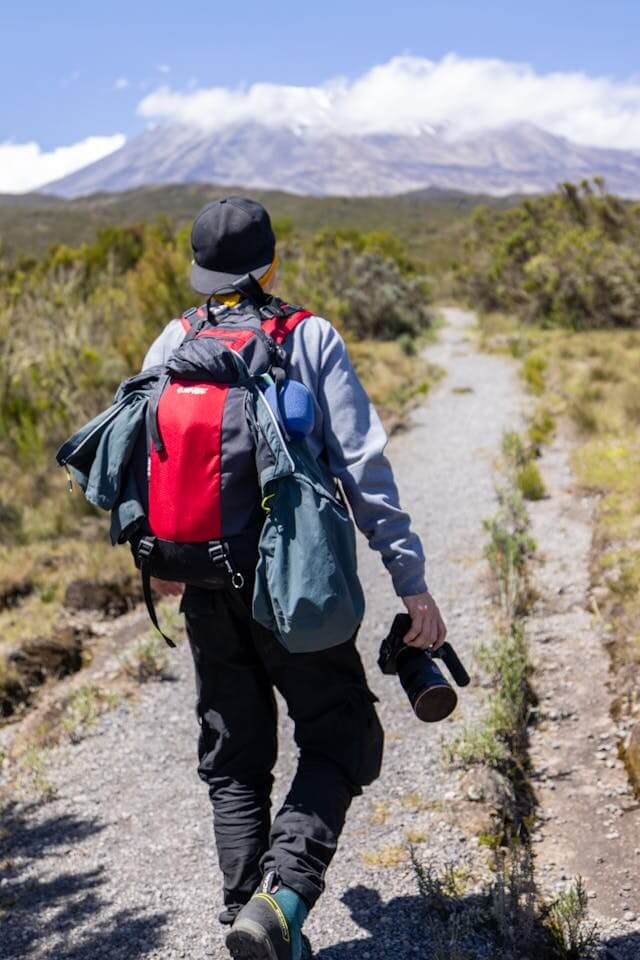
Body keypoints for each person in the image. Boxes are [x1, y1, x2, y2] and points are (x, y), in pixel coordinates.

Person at [143, 196, 447, 960]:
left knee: (235, 752)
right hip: (296, 584)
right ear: (270, 262)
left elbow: (136, 462)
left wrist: (168, 555)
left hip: (204, 580)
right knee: (341, 731)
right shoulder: (306, 334)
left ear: (199, 270)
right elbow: (363, 469)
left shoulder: (173, 340)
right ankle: (281, 902)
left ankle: (246, 913)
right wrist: (410, 582)